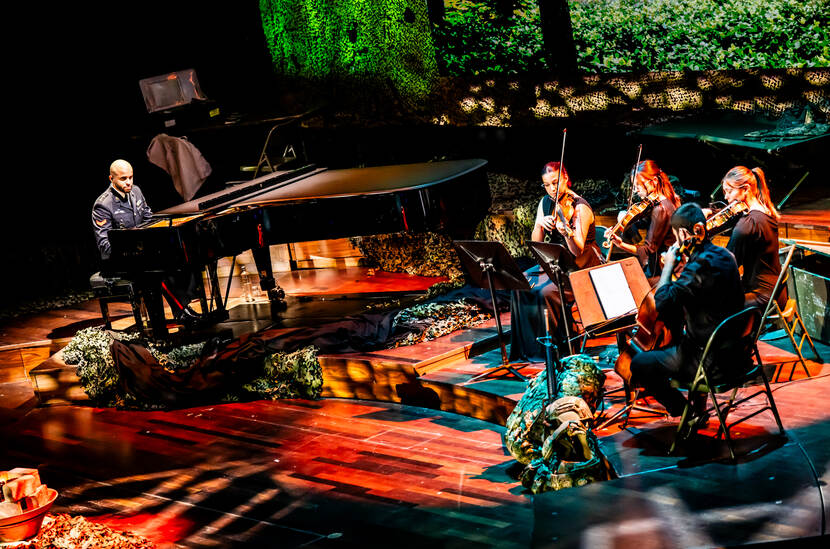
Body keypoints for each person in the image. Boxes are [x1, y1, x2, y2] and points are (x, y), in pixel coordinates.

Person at [629, 203, 745, 423]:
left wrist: (668, 267)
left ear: (684, 233)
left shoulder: (698, 267)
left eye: (675, 236)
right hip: (739, 355)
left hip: (710, 362)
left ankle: (686, 413)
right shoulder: (725, 255)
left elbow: (662, 302)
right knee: (682, 332)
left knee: (640, 363)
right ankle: (696, 408)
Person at [510, 162, 603, 361]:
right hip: (555, 262)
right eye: (547, 185)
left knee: (545, 292)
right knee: (519, 284)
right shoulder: (545, 202)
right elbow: (535, 244)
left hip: (580, 268)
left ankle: (556, 350)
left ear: (566, 178)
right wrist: (540, 225)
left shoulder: (580, 207)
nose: (552, 189)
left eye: (556, 182)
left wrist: (566, 231)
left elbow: (577, 251)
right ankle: (530, 350)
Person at [92, 159, 201, 325]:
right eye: (123, 178)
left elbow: (148, 219)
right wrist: (131, 248)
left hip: (143, 254)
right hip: (119, 261)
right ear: (111, 179)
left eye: (131, 177)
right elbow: (105, 246)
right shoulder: (103, 205)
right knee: (154, 272)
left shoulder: (136, 191)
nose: (128, 182)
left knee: (179, 258)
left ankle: (184, 307)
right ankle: (177, 315)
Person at [720, 166, 785, 310]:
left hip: (761, 297)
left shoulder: (747, 225)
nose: (726, 197)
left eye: (729, 191)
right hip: (777, 292)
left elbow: (727, 266)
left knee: (711, 306)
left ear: (746, 189)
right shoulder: (766, 212)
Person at [605, 159, 681, 278]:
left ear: (654, 181)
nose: (635, 191)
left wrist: (620, 244)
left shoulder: (660, 209)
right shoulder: (660, 201)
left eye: (638, 186)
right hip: (660, 263)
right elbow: (645, 223)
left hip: (661, 270)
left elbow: (647, 251)